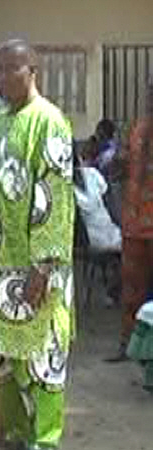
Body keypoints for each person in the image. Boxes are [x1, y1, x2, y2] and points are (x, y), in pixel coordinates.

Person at [0, 40, 75, 450]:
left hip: (34, 264)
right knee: (6, 357)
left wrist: (43, 266)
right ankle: (16, 434)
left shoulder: (49, 122)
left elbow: (54, 194)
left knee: (41, 353)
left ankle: (45, 441)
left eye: (8, 70)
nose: (0, 80)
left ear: (32, 69)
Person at [112, 82, 153, 362]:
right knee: (131, 289)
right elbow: (119, 166)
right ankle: (127, 344)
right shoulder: (136, 128)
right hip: (135, 224)